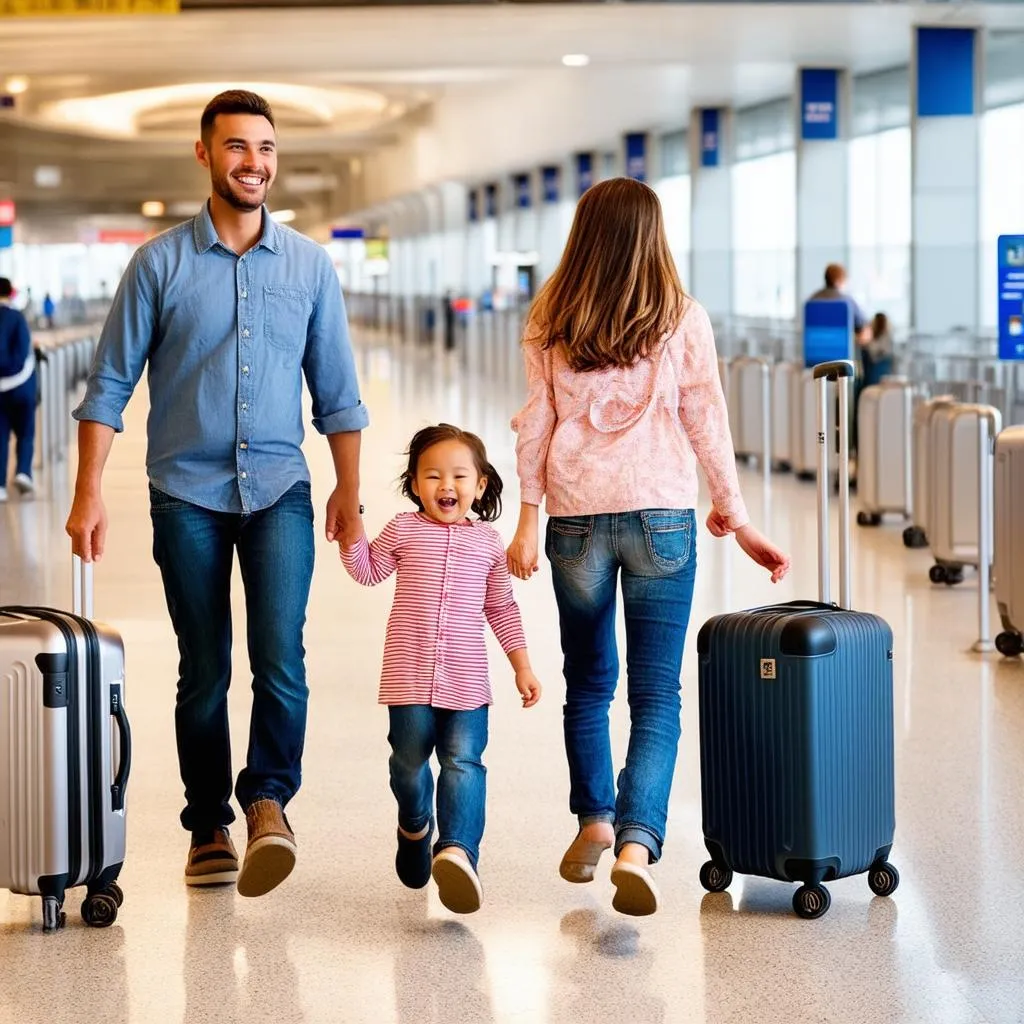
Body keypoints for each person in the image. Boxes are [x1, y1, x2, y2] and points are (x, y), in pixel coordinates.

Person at [66, 89, 369, 898]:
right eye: (237, 147)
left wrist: (350, 489)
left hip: (282, 491)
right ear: (204, 154)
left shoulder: (309, 265)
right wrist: (88, 492)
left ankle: (268, 798)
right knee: (203, 668)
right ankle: (208, 822)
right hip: (187, 494)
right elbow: (109, 386)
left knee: (281, 660)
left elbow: (337, 391)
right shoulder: (160, 262)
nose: (254, 163)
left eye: (266, 149)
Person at [506, 177, 790, 918]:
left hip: (574, 524)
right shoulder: (680, 318)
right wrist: (737, 514)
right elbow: (707, 417)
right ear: (652, 237)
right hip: (662, 518)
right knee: (656, 692)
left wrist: (528, 517)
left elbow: (535, 424)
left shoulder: (550, 320)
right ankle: (638, 842)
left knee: (589, 682)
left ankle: (594, 819)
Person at [340, 423, 542, 914]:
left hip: (468, 683)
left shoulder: (490, 544)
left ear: (481, 485)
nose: (445, 486)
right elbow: (368, 570)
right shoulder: (404, 530)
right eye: (432, 476)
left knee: (464, 764)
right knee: (408, 765)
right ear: (414, 484)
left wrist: (522, 666)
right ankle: (414, 825)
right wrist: (352, 526)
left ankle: (458, 852)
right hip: (407, 679)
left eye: (458, 476)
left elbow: (501, 608)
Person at [0, 277, 38, 502]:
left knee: (0, 435)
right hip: (21, 387)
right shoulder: (17, 317)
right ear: (11, 293)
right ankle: (23, 471)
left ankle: (0, 486)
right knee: (25, 432)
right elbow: (24, 351)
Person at [809, 263, 872, 345]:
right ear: (839, 280)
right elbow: (862, 326)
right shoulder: (847, 301)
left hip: (815, 350)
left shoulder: (812, 300)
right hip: (841, 351)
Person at [861, 311, 894, 387]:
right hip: (873, 365)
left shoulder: (887, 336)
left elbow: (884, 351)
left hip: (880, 364)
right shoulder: (873, 334)